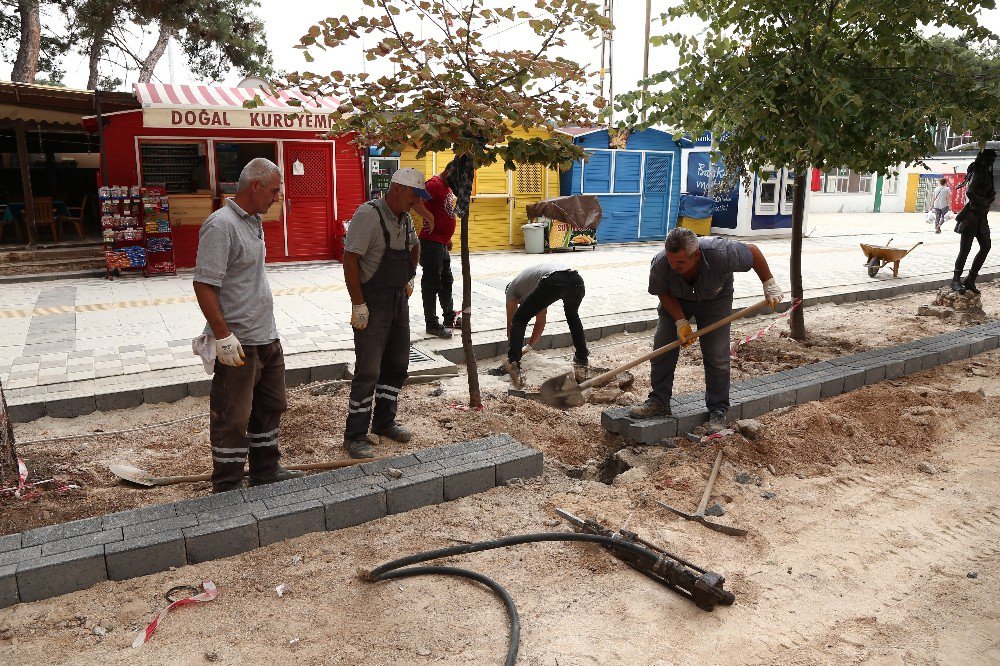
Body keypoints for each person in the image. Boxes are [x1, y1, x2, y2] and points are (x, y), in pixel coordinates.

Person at [192, 158, 303, 493]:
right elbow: (204, 285)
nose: (277, 197)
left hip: (266, 335)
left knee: (271, 405)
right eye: (273, 190)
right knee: (233, 416)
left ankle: (265, 470)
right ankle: (226, 484)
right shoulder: (220, 226)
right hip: (238, 342)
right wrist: (223, 336)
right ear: (254, 186)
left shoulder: (254, 221)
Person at [629, 228, 782, 433]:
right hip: (676, 300)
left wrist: (769, 283)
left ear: (697, 255)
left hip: (715, 300)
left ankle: (718, 409)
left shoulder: (721, 252)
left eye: (681, 263)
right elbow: (662, 291)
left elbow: (753, 252)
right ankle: (658, 401)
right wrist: (680, 321)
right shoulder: (661, 263)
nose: (674, 266)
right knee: (662, 349)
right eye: (671, 260)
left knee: (717, 355)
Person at [341, 167, 428, 458]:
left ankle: (385, 421)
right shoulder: (368, 215)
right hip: (372, 303)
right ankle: (355, 435)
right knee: (368, 370)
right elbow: (350, 260)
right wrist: (358, 304)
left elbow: (414, 247)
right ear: (397, 189)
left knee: (398, 363)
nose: (416, 202)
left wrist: (410, 276)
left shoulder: (405, 219)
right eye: (414, 195)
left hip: (397, 301)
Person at [502, 262, 588, 389]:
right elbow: (540, 321)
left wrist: (514, 350)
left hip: (555, 280)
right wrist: (528, 347)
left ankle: (513, 365)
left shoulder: (511, 289)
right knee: (572, 316)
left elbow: (511, 323)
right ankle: (582, 361)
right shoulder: (534, 285)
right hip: (577, 280)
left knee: (519, 318)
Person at [411, 161, 458, 338]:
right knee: (432, 284)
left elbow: (443, 211)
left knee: (447, 281)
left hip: (442, 243)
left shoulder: (446, 186)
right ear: (448, 172)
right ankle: (431, 324)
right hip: (431, 243)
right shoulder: (433, 184)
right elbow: (414, 201)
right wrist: (429, 218)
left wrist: (448, 238)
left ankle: (449, 318)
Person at [951, 149, 996, 295]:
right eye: (988, 160)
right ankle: (956, 279)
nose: (990, 163)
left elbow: (991, 193)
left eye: (992, 160)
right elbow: (970, 192)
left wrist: (988, 199)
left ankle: (970, 279)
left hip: (982, 217)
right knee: (965, 249)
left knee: (986, 246)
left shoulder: (989, 175)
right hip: (971, 216)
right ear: (981, 159)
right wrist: (983, 203)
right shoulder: (977, 174)